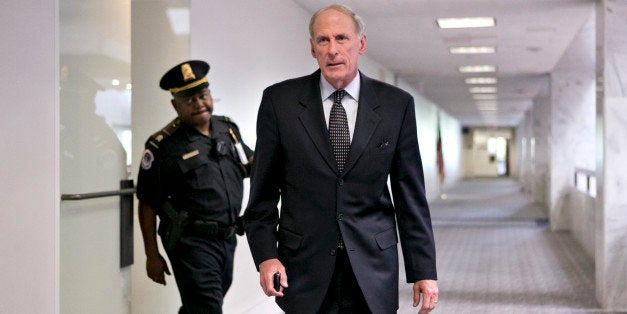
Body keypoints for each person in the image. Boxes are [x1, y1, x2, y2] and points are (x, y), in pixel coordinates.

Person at [242, 4, 438, 314]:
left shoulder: (395, 105)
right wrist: (266, 256)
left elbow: (409, 195)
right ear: (312, 48)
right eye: (323, 40)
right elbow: (263, 194)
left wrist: (423, 270)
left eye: (342, 38)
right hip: (303, 269)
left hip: (373, 267)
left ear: (361, 44)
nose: (332, 50)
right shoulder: (280, 102)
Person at [136, 60, 253, 313]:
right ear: (175, 104)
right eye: (189, 100)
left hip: (227, 238)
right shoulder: (163, 146)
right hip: (191, 243)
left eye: (203, 95)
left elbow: (248, 164)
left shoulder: (227, 129)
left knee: (201, 306)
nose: (199, 103)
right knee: (208, 308)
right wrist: (151, 255)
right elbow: (147, 202)